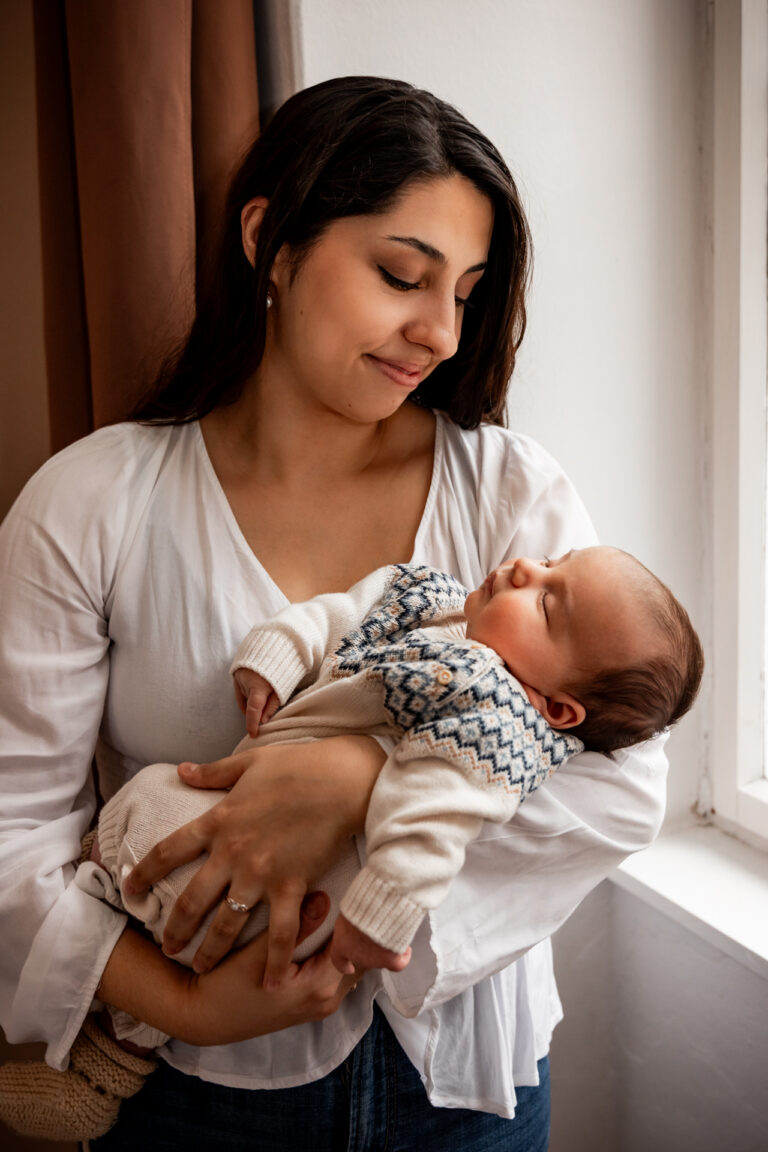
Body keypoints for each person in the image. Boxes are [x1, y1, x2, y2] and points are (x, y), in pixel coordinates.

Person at [0, 76, 676, 1150]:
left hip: (461, 1086)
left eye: (466, 290)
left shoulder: (506, 493)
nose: (439, 332)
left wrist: (356, 782)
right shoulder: (92, 503)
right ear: (271, 241)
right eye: (401, 275)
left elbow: (624, 781)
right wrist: (183, 1008)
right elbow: (12, 833)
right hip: (191, 1092)